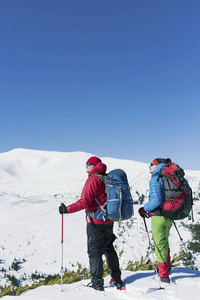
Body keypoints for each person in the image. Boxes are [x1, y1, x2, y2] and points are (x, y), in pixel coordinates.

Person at [59, 156, 124, 291]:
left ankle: (97, 283)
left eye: (88, 164)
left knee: (94, 252)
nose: (86, 166)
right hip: (109, 219)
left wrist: (67, 209)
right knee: (108, 248)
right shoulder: (107, 178)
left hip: (96, 221)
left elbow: (85, 202)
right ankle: (117, 278)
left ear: (94, 166)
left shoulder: (93, 179)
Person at [138, 158, 173, 283]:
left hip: (158, 216)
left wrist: (144, 209)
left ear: (157, 165)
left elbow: (156, 200)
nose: (149, 166)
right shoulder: (168, 175)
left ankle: (163, 275)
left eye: (152, 164)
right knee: (165, 241)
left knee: (159, 245)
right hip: (169, 215)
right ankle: (167, 267)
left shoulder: (156, 178)